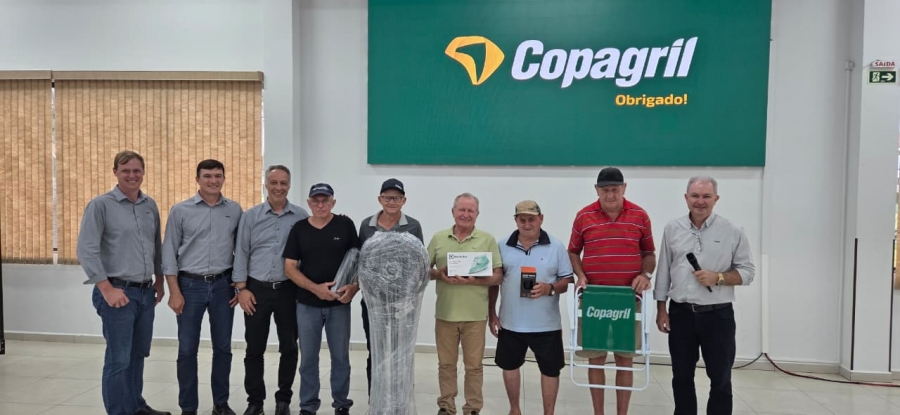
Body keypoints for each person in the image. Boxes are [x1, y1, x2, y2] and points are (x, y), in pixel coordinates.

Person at [76, 150, 171, 415]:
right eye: (126, 170)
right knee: (118, 358)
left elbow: (155, 246)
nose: (132, 175)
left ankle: (135, 406)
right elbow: (86, 250)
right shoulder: (101, 205)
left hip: (145, 292)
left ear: (143, 172)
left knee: (138, 354)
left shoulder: (149, 205)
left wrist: (159, 281)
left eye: (136, 170)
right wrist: (106, 289)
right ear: (115, 172)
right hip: (117, 292)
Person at [654, 176, 755, 415]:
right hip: (680, 314)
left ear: (716, 199)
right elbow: (664, 271)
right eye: (695, 196)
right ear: (686, 198)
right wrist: (661, 309)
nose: (700, 201)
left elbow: (748, 273)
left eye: (706, 196)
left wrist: (718, 277)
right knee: (681, 376)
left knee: (720, 378)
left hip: (718, 316)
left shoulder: (732, 231)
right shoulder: (672, 228)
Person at [568, 167, 655, 415]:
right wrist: (580, 275)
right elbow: (573, 251)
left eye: (615, 189)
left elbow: (649, 253)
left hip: (628, 300)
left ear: (624, 188)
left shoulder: (640, 215)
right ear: (596, 190)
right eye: (604, 190)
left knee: (624, 359)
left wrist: (645, 275)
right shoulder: (583, 216)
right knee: (595, 358)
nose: (610, 195)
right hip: (593, 299)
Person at [163, 159, 243, 415]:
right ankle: (188, 407)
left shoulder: (234, 210)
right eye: (207, 176)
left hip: (223, 286)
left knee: (223, 348)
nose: (213, 180)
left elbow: (241, 251)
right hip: (189, 286)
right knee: (187, 350)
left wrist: (239, 286)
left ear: (224, 178)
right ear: (197, 179)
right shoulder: (181, 211)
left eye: (218, 175)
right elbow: (168, 253)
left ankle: (221, 404)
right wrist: (174, 291)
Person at [233, 165, 309, 415]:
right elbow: (241, 252)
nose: (278, 187)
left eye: (283, 183)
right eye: (274, 182)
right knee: (254, 348)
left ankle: (283, 400)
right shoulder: (250, 216)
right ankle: (255, 402)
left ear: (289, 185)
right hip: (256, 290)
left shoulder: (300, 216)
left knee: (289, 347)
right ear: (266, 184)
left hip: (289, 290)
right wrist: (241, 288)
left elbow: (306, 255)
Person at [488, 200, 574, 415]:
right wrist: (492, 314)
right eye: (522, 220)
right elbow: (494, 282)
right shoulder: (501, 245)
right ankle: (514, 410)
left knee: (550, 370)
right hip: (510, 322)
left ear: (541, 219)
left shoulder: (556, 246)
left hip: (546, 325)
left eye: (531, 219)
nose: (527, 224)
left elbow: (568, 280)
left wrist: (549, 288)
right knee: (509, 366)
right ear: (515, 220)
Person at [282, 183, 360, 415]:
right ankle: (308, 406)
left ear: (333, 202)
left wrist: (354, 288)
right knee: (308, 359)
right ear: (309, 203)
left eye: (325, 200)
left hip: (339, 304)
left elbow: (358, 261)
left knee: (340, 358)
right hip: (307, 304)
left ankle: (341, 404)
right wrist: (316, 289)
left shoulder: (345, 225)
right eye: (315, 201)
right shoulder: (299, 229)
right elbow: (289, 268)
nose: (320, 205)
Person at [427, 192, 503, 415]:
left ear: (477, 214)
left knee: (474, 366)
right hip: (445, 314)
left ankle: (472, 408)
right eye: (462, 209)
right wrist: (439, 274)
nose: (466, 214)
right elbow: (423, 271)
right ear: (453, 212)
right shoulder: (439, 238)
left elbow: (497, 277)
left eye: (471, 210)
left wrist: (474, 280)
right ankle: (446, 406)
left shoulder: (487, 240)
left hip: (475, 316)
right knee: (446, 365)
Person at [358, 178, 424, 396]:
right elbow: (361, 261)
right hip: (373, 302)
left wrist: (409, 295)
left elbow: (419, 263)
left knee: (401, 353)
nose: (392, 202)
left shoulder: (413, 226)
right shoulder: (366, 225)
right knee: (376, 351)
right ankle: (376, 399)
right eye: (387, 197)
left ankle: (399, 399)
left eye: (396, 198)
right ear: (380, 199)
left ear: (404, 200)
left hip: (402, 304)